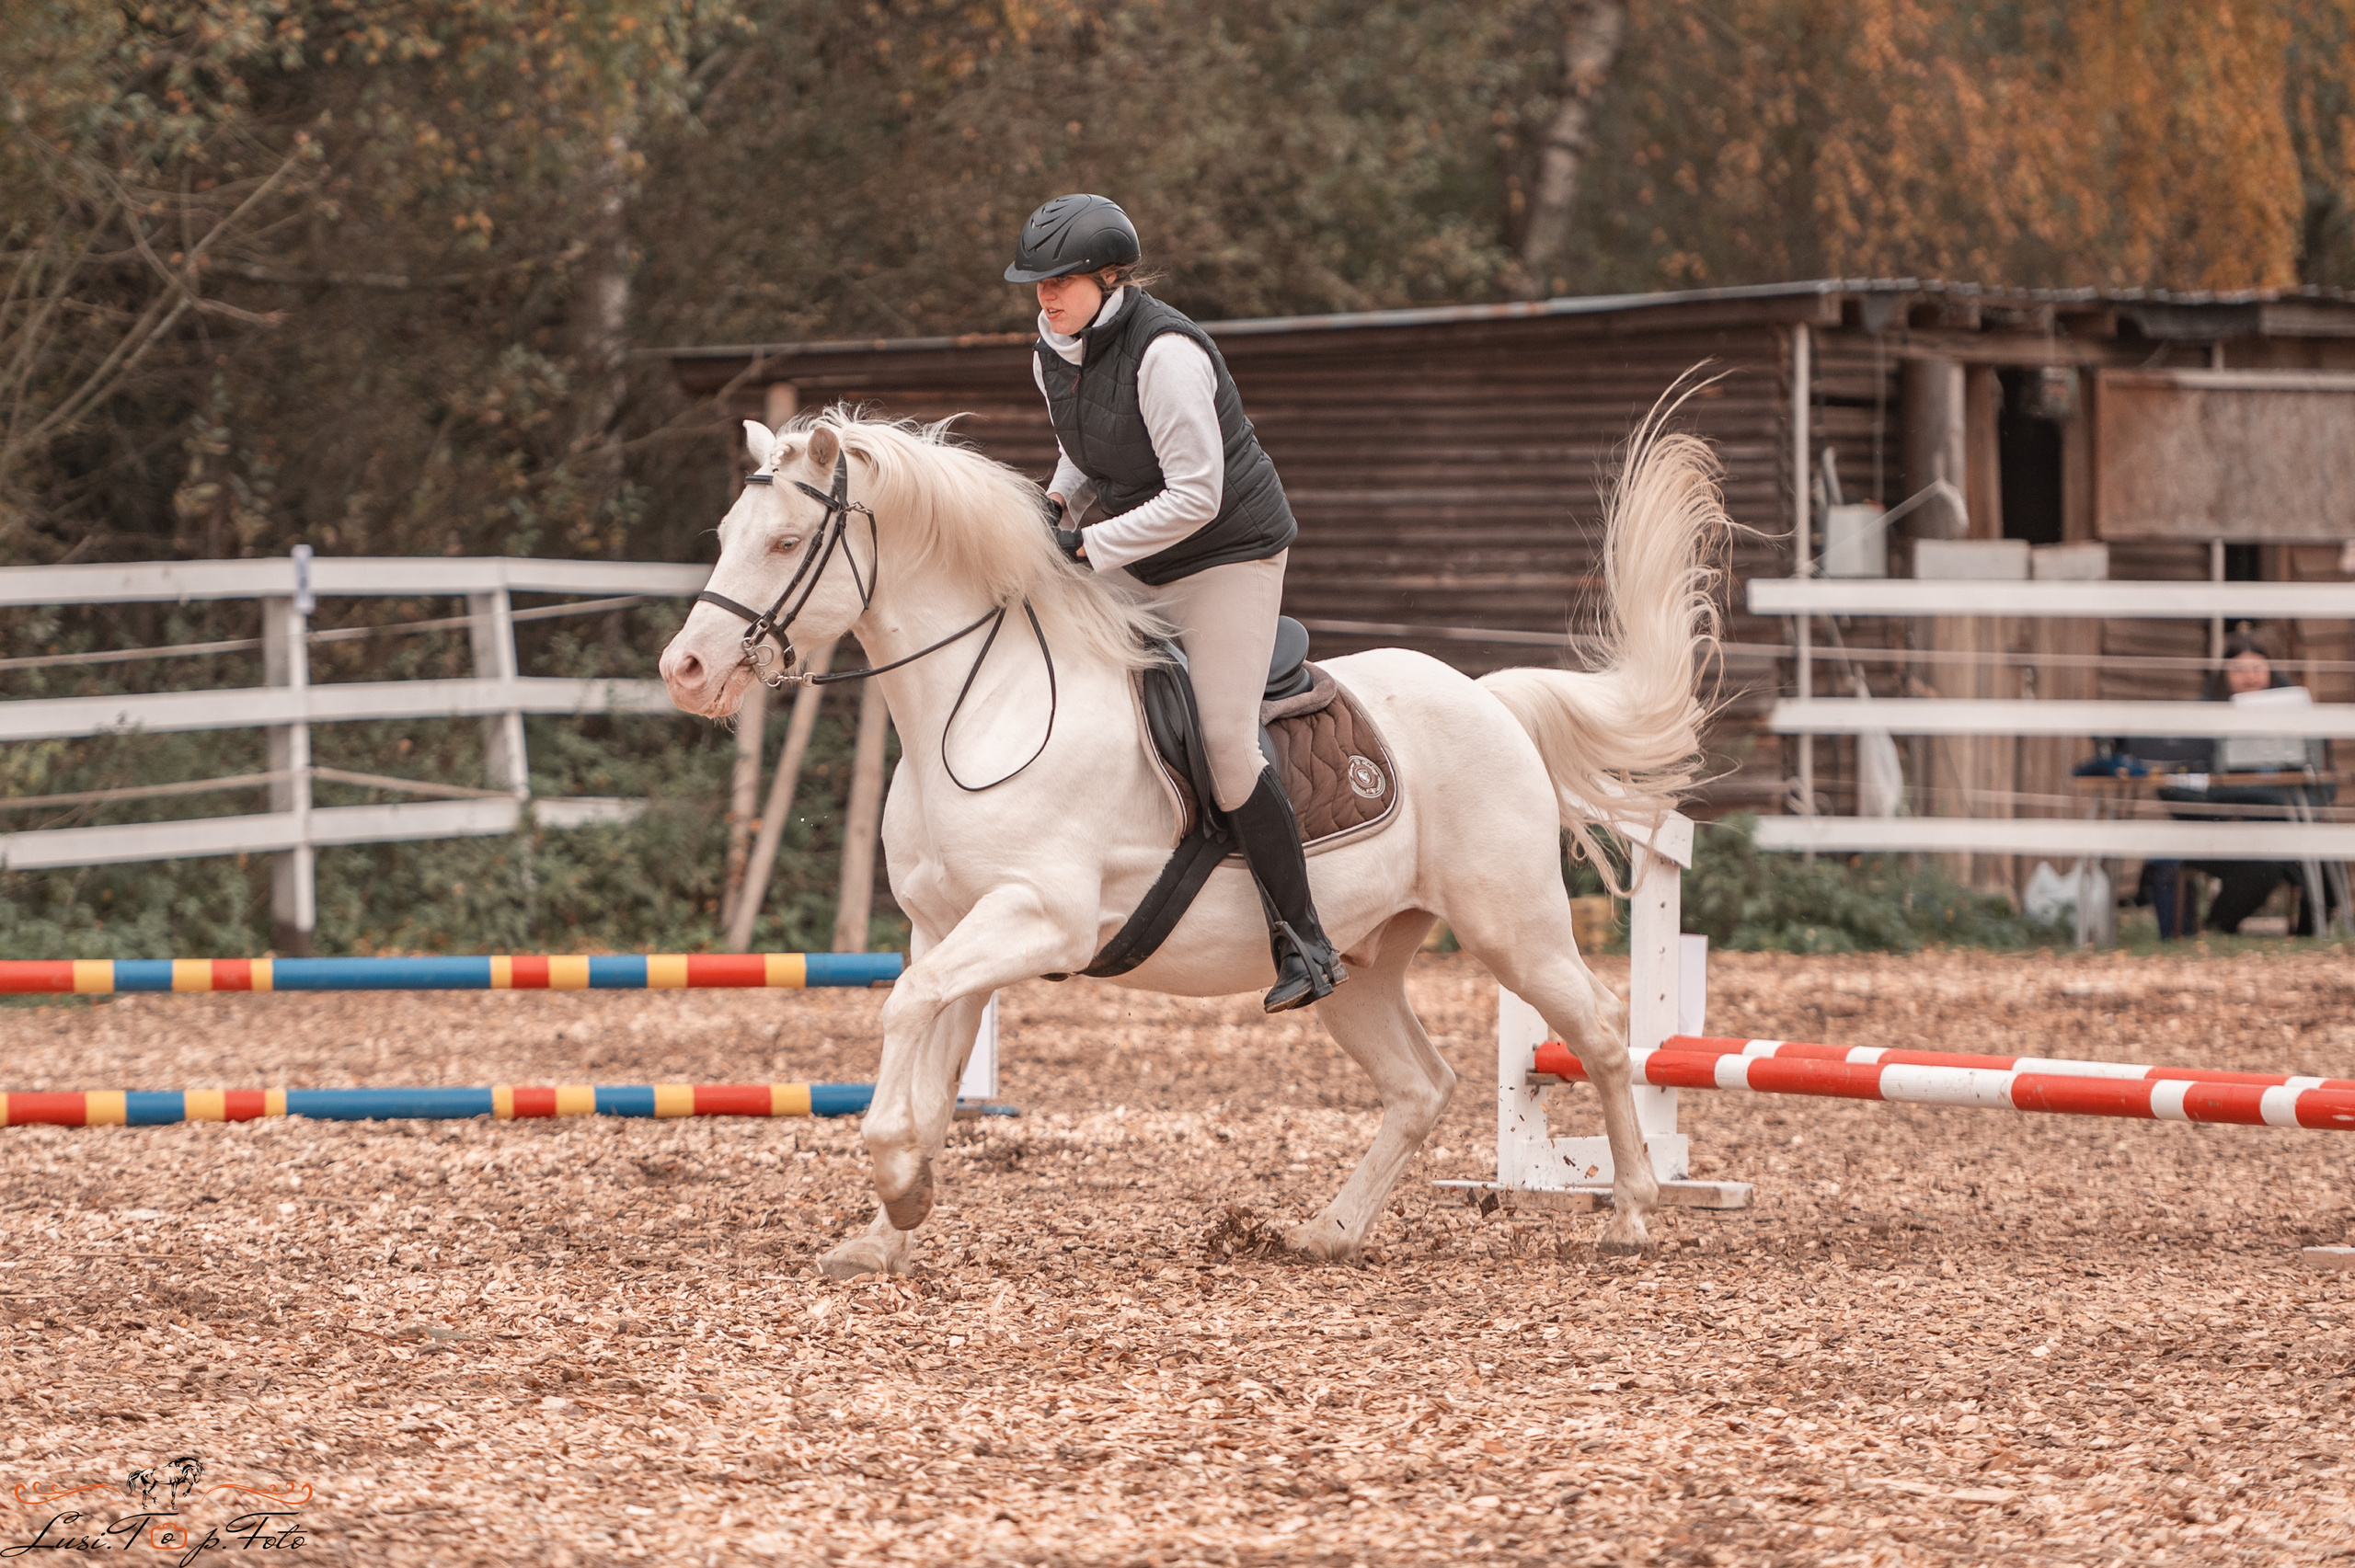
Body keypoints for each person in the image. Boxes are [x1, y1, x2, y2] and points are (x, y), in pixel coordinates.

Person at [1006, 193, 1347, 1013]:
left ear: (1109, 276)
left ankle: (1303, 937)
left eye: (1063, 281)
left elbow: (1198, 493)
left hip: (1227, 552)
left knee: (1228, 739)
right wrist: (1055, 504)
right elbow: (1082, 447)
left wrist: (1087, 546)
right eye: (1038, 283)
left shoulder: (1167, 354)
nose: (1046, 296)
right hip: (1140, 548)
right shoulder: (1052, 347)